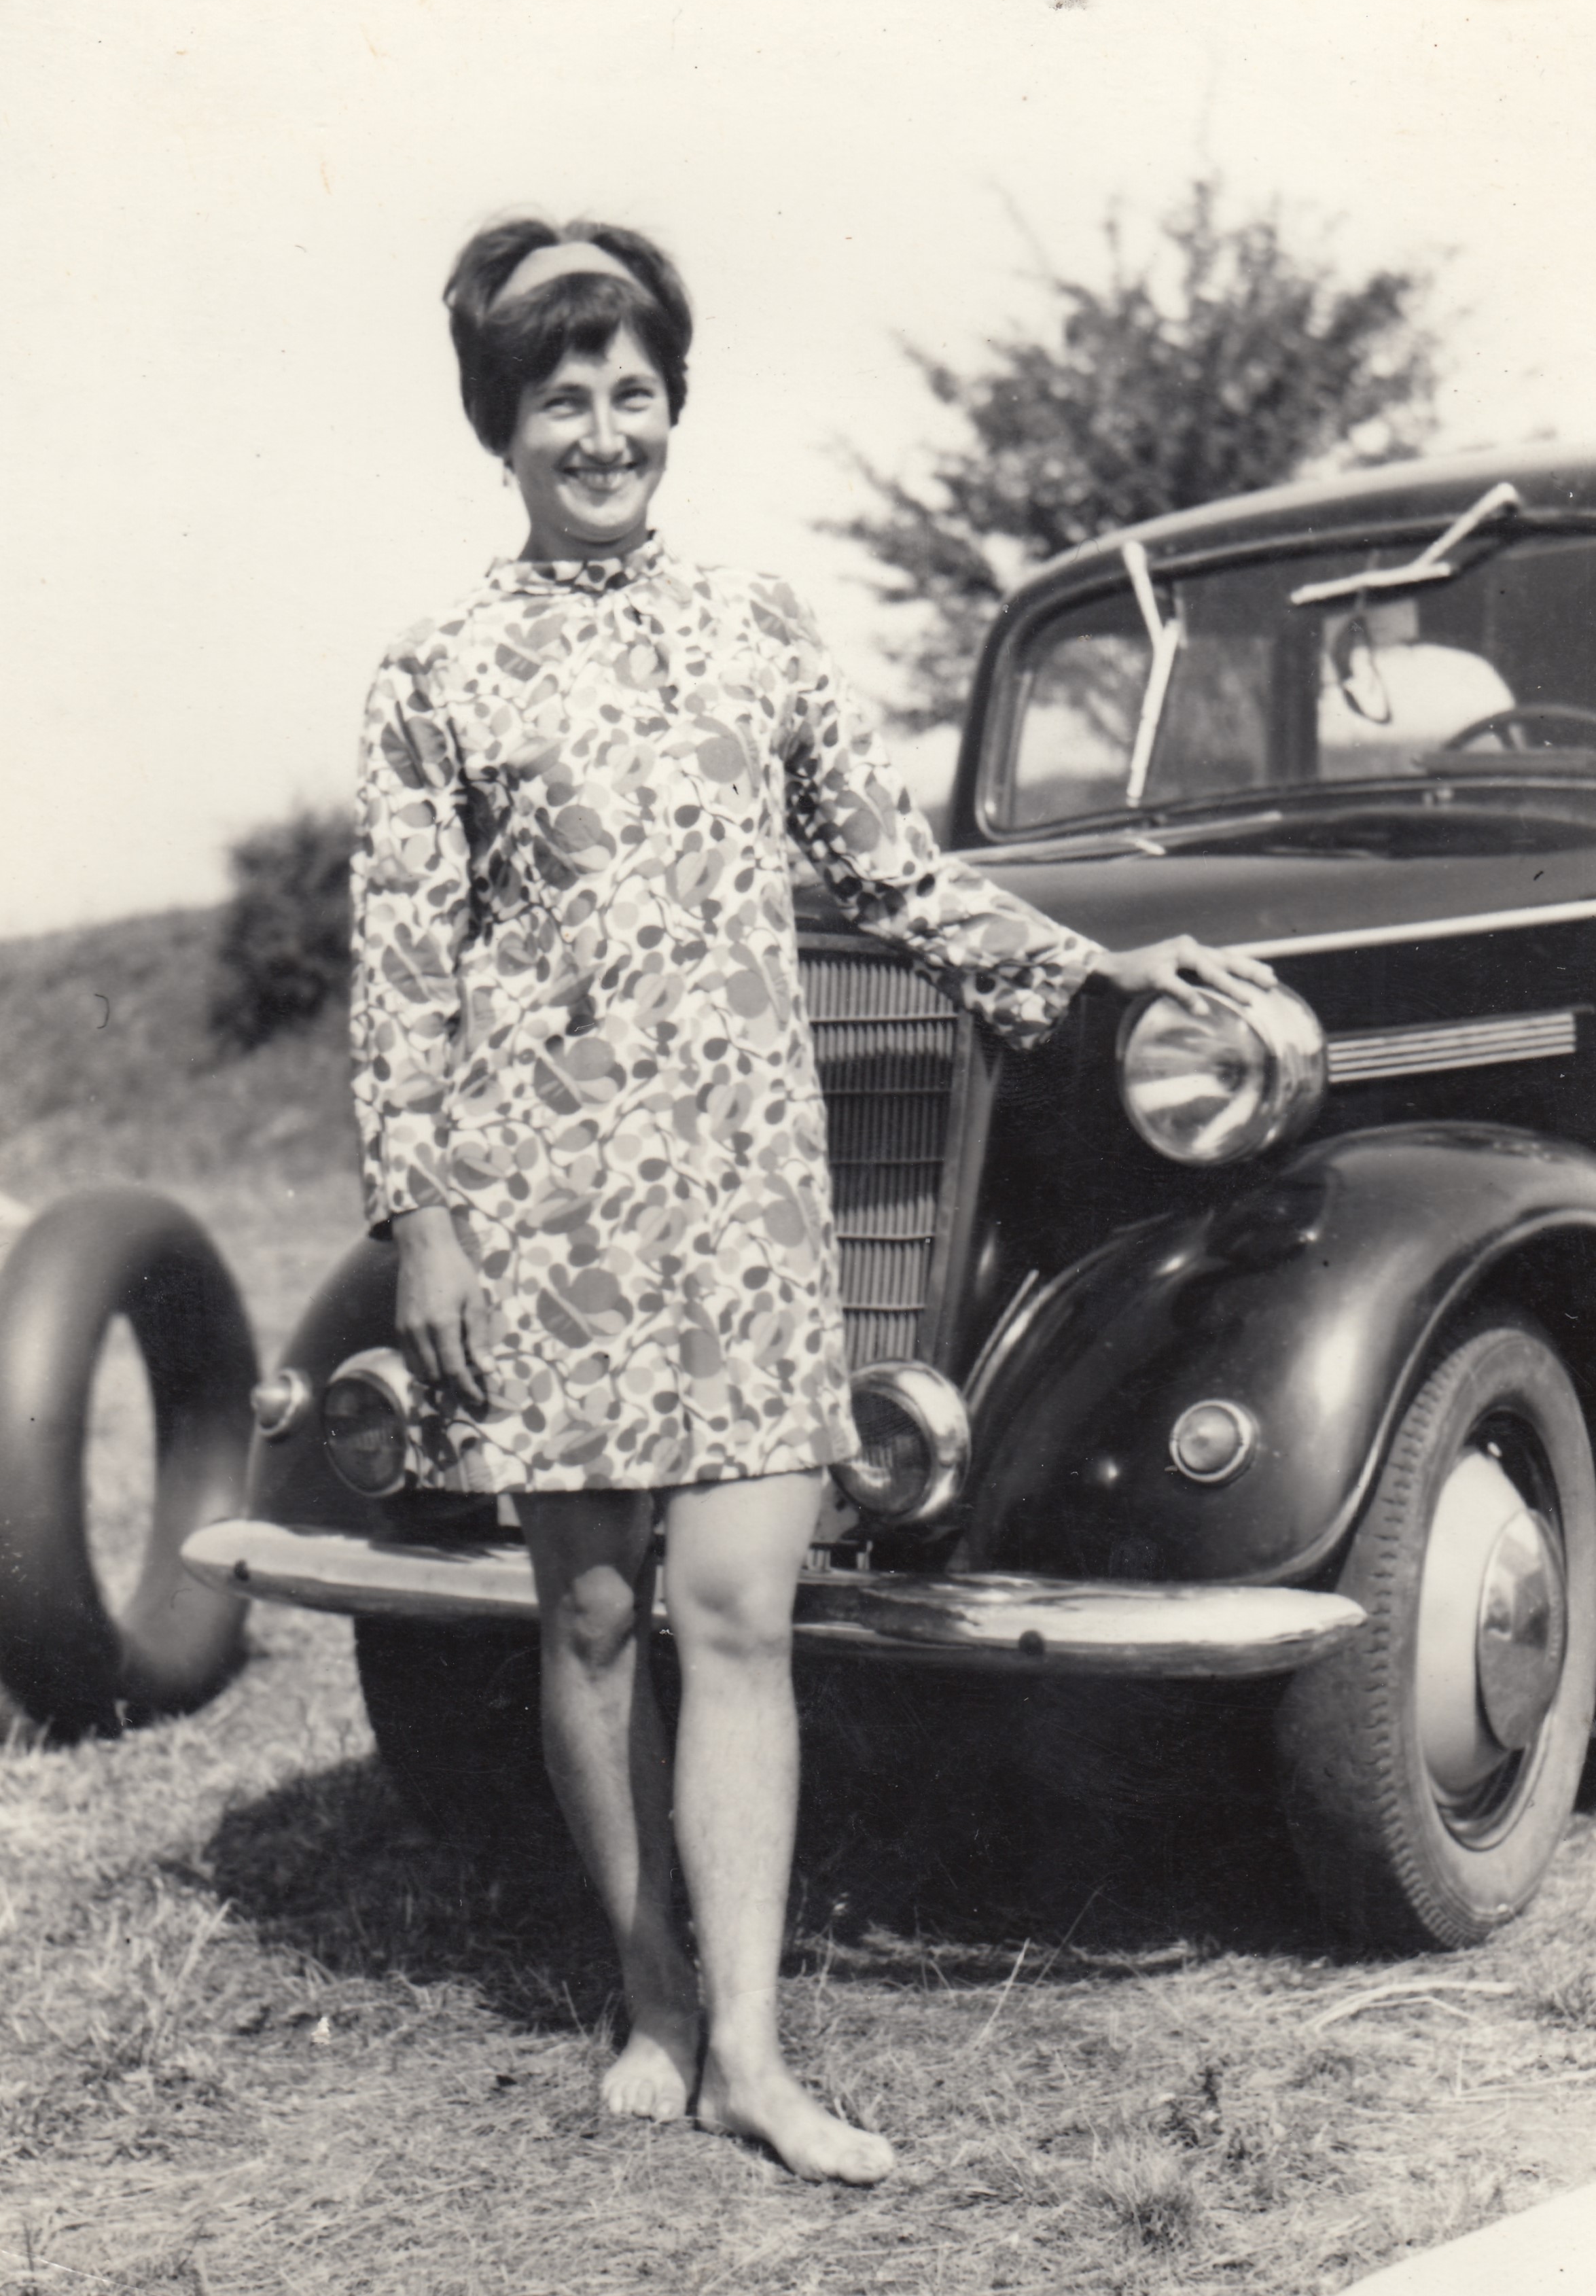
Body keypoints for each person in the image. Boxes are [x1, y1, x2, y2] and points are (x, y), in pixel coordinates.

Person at [349, 214, 1275, 2186]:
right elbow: (404, 970)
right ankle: (650, 1996)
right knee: (593, 1614)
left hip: (750, 1199)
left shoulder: (757, 626)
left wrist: (1098, 976)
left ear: (673, 406)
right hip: (547, 1213)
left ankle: (754, 2056)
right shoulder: (436, 670)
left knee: (741, 1614)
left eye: (635, 393)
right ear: (501, 430)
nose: (605, 433)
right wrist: (421, 1216)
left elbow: (891, 871)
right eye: (562, 401)